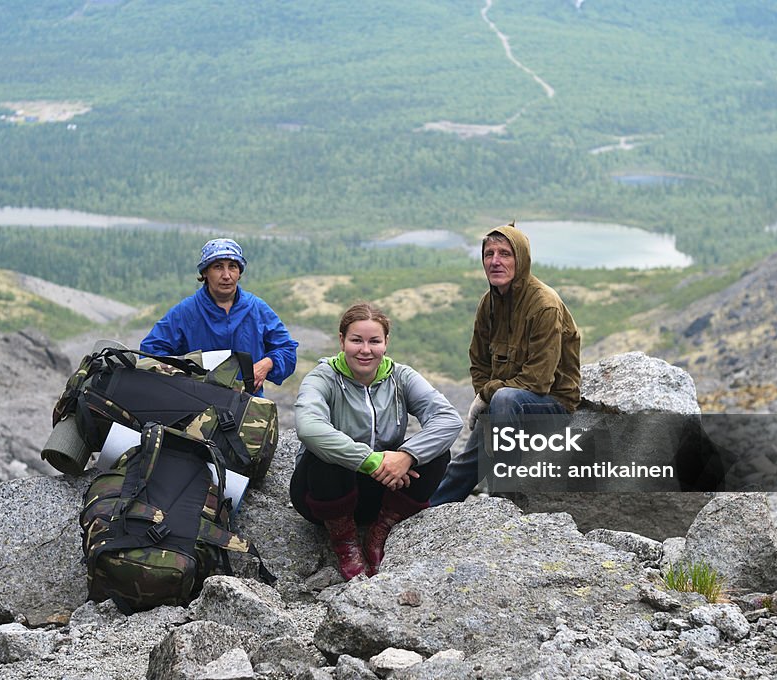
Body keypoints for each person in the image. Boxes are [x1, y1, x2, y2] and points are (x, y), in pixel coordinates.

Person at [291, 303, 463, 580]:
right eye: (356, 340)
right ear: (342, 341)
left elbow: (449, 419)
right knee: (323, 454)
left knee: (436, 453)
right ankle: (344, 539)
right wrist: (372, 461)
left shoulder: (401, 377)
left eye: (374, 341)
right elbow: (309, 427)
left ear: (386, 343)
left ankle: (382, 528)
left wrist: (406, 456)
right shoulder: (324, 377)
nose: (365, 349)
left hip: (382, 490)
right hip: (322, 496)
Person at [430, 223, 581, 505]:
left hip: (552, 404)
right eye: (489, 254)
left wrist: (487, 396)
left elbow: (538, 381)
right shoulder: (488, 304)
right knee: (466, 464)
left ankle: (503, 499)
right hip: (505, 406)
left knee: (504, 400)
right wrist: (487, 394)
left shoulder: (544, 305)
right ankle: (427, 510)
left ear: (521, 259)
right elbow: (478, 363)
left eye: (505, 254)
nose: (495, 261)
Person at [140, 238, 297, 396]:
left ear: (239, 272)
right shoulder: (185, 312)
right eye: (218, 267)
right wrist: (184, 376)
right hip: (197, 410)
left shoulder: (257, 309)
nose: (226, 275)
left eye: (233, 267)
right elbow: (150, 353)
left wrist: (268, 363)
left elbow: (287, 350)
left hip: (247, 409)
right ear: (205, 272)